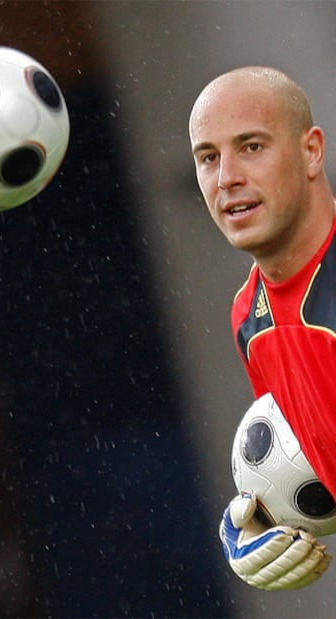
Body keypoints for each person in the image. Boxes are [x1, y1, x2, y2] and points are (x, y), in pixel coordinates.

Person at [188, 66, 336, 590]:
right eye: (209, 157)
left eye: (251, 146)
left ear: (311, 151)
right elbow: (317, 454)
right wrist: (265, 522)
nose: (226, 176)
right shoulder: (249, 316)